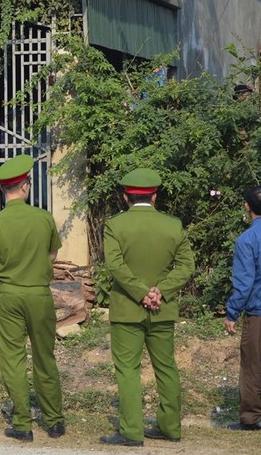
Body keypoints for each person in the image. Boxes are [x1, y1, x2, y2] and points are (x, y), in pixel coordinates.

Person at [100, 168, 194, 446]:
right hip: (162, 308)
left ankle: (131, 431)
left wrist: (141, 293)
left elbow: (115, 265)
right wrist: (160, 292)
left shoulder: (115, 225)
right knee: (165, 367)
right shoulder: (173, 225)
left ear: (125, 196)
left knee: (128, 369)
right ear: (155, 196)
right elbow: (187, 265)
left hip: (127, 309)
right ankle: (170, 427)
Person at [0, 154, 65, 442]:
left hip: (10, 294)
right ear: (25, 186)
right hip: (39, 295)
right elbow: (53, 256)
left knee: (13, 359)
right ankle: (54, 422)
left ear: (4, 190)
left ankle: (22, 424)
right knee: (44, 356)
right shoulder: (44, 218)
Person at [224, 185, 261, 431]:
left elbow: (244, 283)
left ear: (247, 206)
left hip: (260, 314)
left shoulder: (247, 239)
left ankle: (251, 419)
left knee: (252, 366)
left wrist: (232, 313)